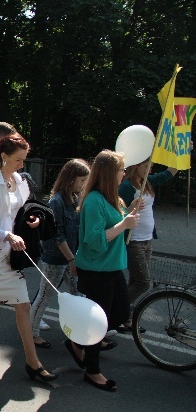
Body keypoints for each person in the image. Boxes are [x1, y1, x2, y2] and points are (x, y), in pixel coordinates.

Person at [0, 133, 57, 384]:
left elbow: (22, 210)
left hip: (11, 254)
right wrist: (6, 235)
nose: (22, 165)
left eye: (24, 160)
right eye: (18, 160)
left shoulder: (18, 179)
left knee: (23, 306)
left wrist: (32, 220)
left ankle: (32, 361)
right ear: (3, 156)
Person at [66, 150, 139, 392]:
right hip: (97, 269)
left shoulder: (113, 198)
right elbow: (94, 240)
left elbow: (118, 228)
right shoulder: (95, 200)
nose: (124, 174)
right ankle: (92, 371)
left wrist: (129, 214)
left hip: (112, 266)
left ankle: (76, 342)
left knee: (118, 315)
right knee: (100, 323)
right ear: (109, 173)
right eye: (121, 170)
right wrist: (124, 223)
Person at [30, 159, 90, 348]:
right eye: (81, 181)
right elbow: (58, 235)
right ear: (70, 179)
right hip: (55, 257)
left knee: (77, 292)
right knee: (46, 295)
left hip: (70, 256)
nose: (83, 185)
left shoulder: (74, 199)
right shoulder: (56, 202)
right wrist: (72, 259)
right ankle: (31, 332)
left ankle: (82, 330)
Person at [117, 158, 177, 331]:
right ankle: (116, 309)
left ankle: (124, 317)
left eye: (150, 165)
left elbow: (167, 174)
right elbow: (118, 211)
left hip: (146, 239)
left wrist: (183, 153)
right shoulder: (127, 186)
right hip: (133, 240)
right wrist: (131, 207)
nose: (149, 168)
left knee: (135, 281)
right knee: (143, 283)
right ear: (136, 166)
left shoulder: (147, 182)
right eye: (145, 166)